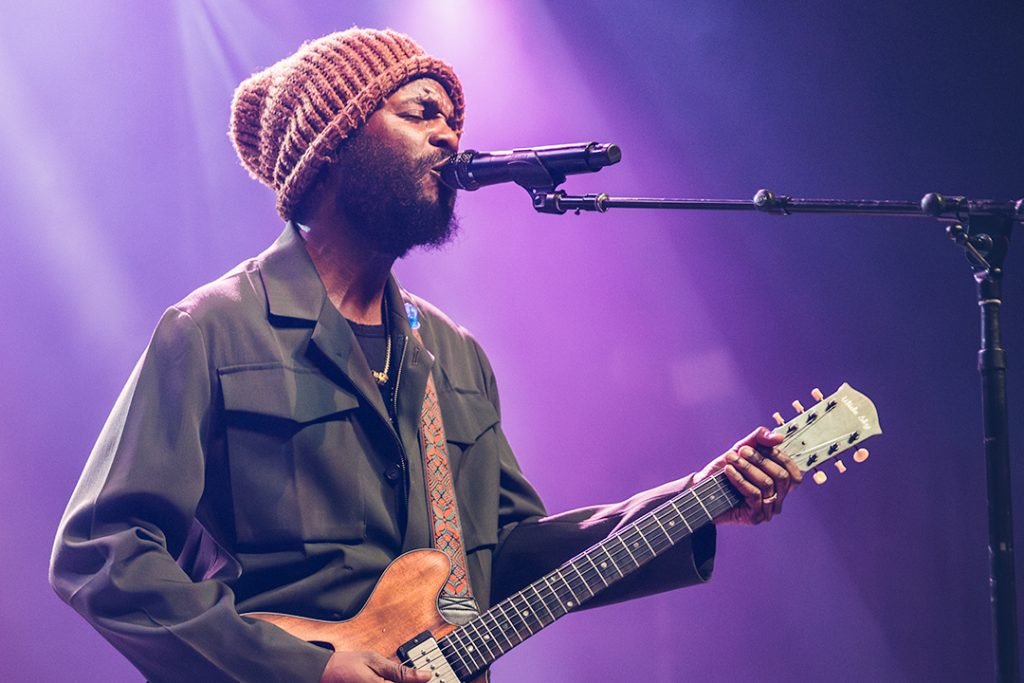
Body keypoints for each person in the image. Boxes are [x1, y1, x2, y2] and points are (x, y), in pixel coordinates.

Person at [50, 27, 801, 683]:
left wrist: (697, 500)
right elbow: (102, 551)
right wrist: (302, 669)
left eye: (453, 119)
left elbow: (502, 559)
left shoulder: (452, 353)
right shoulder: (214, 329)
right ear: (335, 141)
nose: (450, 137)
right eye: (421, 113)